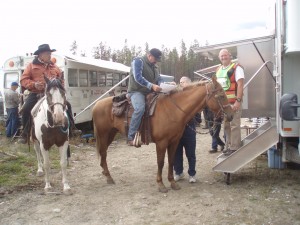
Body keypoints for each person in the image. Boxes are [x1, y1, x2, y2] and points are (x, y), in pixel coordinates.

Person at [18, 44, 81, 144]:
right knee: (26, 109)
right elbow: (23, 80)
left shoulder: (54, 66)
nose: (50, 56)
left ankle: (72, 128)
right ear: (40, 54)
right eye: (48, 54)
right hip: (36, 93)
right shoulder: (31, 66)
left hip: (53, 94)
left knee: (67, 105)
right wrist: (34, 84)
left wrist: (60, 87)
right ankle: (25, 134)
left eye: (50, 54)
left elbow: (61, 80)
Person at [127, 48, 163, 146]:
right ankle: (131, 136)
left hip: (149, 92)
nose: (156, 61)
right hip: (136, 91)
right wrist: (152, 86)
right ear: (149, 55)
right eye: (155, 59)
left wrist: (165, 84)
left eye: (157, 60)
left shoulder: (155, 66)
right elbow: (137, 77)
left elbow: (158, 78)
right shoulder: (138, 61)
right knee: (140, 109)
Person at [216, 49, 244, 155]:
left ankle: (235, 148)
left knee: (234, 124)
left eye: (225, 55)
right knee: (226, 125)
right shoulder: (218, 69)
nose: (224, 57)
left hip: (234, 102)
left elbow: (240, 85)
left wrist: (238, 101)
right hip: (224, 104)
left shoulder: (237, 68)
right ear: (219, 58)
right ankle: (228, 145)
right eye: (222, 56)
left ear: (230, 56)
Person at [173, 76, 201, 183]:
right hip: (176, 129)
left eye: (184, 82)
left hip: (189, 129)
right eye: (180, 82)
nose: (181, 84)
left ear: (189, 84)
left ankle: (192, 174)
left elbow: (198, 118)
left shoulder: (194, 98)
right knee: (176, 152)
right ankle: (178, 172)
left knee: (190, 153)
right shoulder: (176, 96)